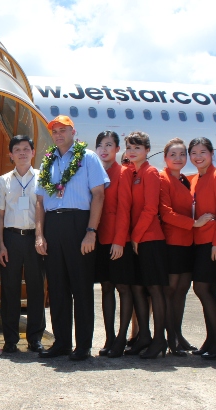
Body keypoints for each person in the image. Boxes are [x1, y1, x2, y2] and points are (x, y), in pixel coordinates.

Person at [34, 116, 108, 361]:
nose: (58, 134)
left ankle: (83, 345)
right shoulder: (47, 163)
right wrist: (40, 234)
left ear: (73, 131)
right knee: (57, 287)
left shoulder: (87, 158)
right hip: (53, 224)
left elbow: (98, 195)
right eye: (54, 131)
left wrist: (91, 231)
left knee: (81, 287)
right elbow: (41, 202)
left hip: (79, 223)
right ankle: (62, 342)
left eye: (63, 130)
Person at [159, 138, 214, 355]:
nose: (178, 158)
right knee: (170, 291)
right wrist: (194, 223)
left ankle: (177, 334)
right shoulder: (162, 179)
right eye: (173, 154)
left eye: (182, 154)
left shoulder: (185, 180)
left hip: (188, 242)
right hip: (172, 241)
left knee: (182, 291)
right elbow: (165, 213)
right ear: (165, 158)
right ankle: (169, 338)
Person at [0, 135, 46, 353]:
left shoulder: (42, 177)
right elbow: (0, 215)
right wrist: (1, 244)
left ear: (33, 152)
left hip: (35, 238)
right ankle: (10, 339)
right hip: (11, 238)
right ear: (11, 155)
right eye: (17, 149)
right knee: (10, 290)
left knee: (36, 288)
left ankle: (35, 337)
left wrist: (41, 235)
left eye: (26, 149)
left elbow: (43, 209)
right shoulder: (3, 180)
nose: (22, 153)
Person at [123, 131, 169, 359]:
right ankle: (144, 336)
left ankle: (160, 339)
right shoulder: (133, 172)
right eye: (129, 147)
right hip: (138, 240)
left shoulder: (151, 173)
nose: (132, 151)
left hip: (149, 240)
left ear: (147, 150)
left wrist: (135, 236)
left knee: (155, 290)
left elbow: (151, 208)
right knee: (139, 288)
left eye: (137, 148)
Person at [188, 137, 216, 359]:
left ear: (211, 154)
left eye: (202, 152)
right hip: (198, 242)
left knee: (204, 290)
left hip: (211, 243)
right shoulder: (196, 178)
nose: (198, 156)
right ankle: (213, 338)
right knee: (203, 290)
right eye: (194, 152)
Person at [94, 131, 134, 358]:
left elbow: (124, 209)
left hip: (118, 241)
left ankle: (121, 338)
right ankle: (109, 337)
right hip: (100, 238)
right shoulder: (95, 171)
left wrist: (119, 241)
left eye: (109, 145)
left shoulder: (123, 173)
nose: (104, 149)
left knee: (123, 288)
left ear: (117, 149)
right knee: (106, 288)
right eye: (100, 145)